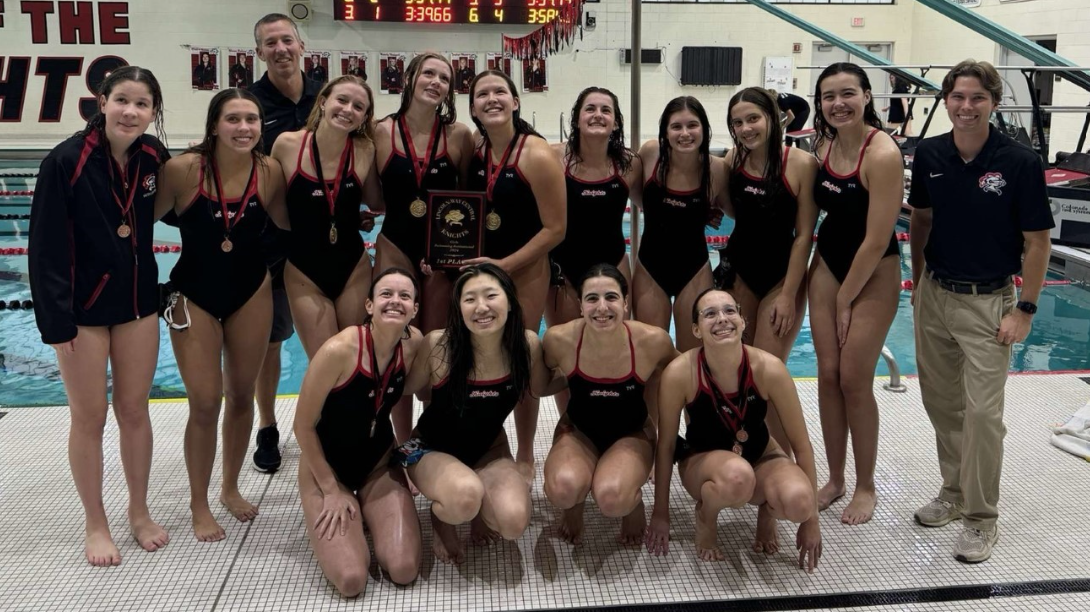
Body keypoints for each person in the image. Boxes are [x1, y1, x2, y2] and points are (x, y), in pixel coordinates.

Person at [908, 59, 1053, 563]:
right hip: (935, 295)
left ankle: (981, 518)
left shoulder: (1018, 161)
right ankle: (954, 492)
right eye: (957, 97)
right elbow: (921, 220)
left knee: (984, 415)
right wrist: (919, 283)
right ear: (945, 100)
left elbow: (1037, 244)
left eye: (977, 98)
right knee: (942, 405)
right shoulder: (929, 152)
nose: (966, 107)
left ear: (993, 102)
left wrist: (1025, 311)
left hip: (991, 302)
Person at [29, 66, 171, 567]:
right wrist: (56, 323)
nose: (132, 112)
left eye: (143, 104)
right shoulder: (65, 160)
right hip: (83, 314)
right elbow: (44, 249)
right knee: (88, 417)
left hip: (136, 306)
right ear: (102, 101)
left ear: (154, 112)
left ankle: (138, 510)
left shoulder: (153, 157)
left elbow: (181, 209)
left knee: (135, 411)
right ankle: (96, 521)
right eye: (123, 101)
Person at [153, 88, 290, 542]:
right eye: (233, 119)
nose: (245, 127)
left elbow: (294, 224)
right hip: (193, 293)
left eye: (252, 119)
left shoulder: (268, 172)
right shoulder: (182, 170)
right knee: (206, 401)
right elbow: (133, 227)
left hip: (252, 290)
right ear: (214, 125)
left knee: (241, 394)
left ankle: (230, 488)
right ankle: (199, 502)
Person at [645, 288, 821, 570]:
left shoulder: (769, 369)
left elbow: (801, 446)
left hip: (762, 455)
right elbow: (665, 445)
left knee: (801, 501)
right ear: (696, 329)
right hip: (702, 462)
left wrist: (811, 520)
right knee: (738, 476)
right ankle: (706, 517)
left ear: (743, 321)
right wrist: (660, 512)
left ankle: (768, 513)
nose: (722, 319)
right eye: (710, 314)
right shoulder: (680, 373)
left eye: (729, 311)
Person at [397, 264, 551, 563]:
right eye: (469, 299)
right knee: (463, 496)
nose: (481, 307)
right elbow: (404, 390)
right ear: (458, 308)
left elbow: (546, 386)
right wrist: (396, 344)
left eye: (490, 295)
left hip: (488, 450)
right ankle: (442, 518)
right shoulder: (439, 345)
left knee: (513, 521)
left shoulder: (525, 345)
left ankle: (477, 505)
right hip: (428, 448)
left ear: (509, 299)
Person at [808, 62, 903, 525]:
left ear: (868, 95)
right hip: (826, 265)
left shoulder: (882, 153)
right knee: (827, 375)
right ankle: (836, 478)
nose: (837, 103)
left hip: (873, 272)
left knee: (853, 379)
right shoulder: (824, 143)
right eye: (828, 96)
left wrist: (846, 297)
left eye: (848, 93)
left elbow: (876, 236)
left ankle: (866, 486)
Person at [294, 268, 424, 596]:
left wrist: (409, 462)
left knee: (404, 568)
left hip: (377, 463)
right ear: (369, 305)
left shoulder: (413, 346)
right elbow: (303, 426)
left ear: (414, 309)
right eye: (386, 295)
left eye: (404, 296)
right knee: (352, 580)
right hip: (327, 468)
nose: (395, 301)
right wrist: (330, 489)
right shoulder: (339, 351)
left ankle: (370, 509)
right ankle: (351, 510)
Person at [465, 69, 565, 471]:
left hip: (523, 270)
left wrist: (504, 266)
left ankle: (525, 454)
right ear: (472, 107)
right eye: (482, 94)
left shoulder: (535, 153)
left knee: (520, 360)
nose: (492, 99)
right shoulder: (475, 150)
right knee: (480, 359)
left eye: (500, 92)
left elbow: (556, 229)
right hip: (480, 271)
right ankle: (489, 445)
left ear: (515, 101)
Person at [373, 52, 473, 443]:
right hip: (396, 243)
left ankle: (431, 437)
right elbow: (370, 196)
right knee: (396, 344)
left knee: (435, 349)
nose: (435, 82)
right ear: (411, 78)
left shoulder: (459, 135)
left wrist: (454, 254)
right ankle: (399, 442)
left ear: (450, 89)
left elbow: (468, 198)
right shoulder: (381, 132)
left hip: (442, 252)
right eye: (428, 73)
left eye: (444, 78)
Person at [542, 264, 676, 545]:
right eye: (592, 299)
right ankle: (573, 506)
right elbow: (539, 385)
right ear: (580, 305)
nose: (602, 308)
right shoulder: (560, 339)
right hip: (577, 431)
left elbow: (686, 375)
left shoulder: (651, 341)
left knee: (613, 497)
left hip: (632, 434)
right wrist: (571, 377)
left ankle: (633, 502)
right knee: (562, 488)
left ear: (626, 303)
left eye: (611, 298)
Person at [722, 87, 818, 454]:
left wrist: (790, 294)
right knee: (737, 370)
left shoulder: (800, 164)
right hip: (739, 273)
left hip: (781, 278)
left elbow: (804, 235)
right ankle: (748, 447)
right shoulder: (733, 160)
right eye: (737, 122)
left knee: (766, 374)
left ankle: (785, 457)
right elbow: (733, 213)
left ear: (772, 119)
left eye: (753, 118)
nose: (746, 128)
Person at [248, 12, 323, 473]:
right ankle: (268, 425)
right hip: (269, 241)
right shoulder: (250, 103)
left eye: (286, 40)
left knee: (330, 339)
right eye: (269, 43)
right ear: (259, 52)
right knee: (271, 341)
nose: (279, 48)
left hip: (325, 239)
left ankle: (323, 419)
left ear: (300, 46)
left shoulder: (327, 98)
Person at [271, 75, 380, 358]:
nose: (347, 110)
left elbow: (376, 202)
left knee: (356, 360)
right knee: (325, 363)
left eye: (358, 107)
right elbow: (276, 209)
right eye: (341, 100)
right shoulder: (287, 145)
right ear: (322, 101)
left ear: (365, 117)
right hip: (304, 272)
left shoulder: (364, 149)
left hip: (353, 268)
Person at [634, 96, 727, 353]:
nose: (685, 133)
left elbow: (738, 211)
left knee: (694, 354)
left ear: (704, 129)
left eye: (692, 125)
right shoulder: (650, 153)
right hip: (650, 268)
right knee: (650, 353)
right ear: (665, 131)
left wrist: (711, 209)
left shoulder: (717, 169)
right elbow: (634, 194)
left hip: (694, 269)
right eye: (676, 126)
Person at [546, 86, 642, 327]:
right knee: (564, 344)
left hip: (614, 261)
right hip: (563, 268)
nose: (598, 114)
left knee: (615, 341)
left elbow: (653, 204)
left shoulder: (629, 164)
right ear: (577, 120)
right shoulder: (553, 158)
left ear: (616, 123)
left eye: (606, 110)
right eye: (590, 109)